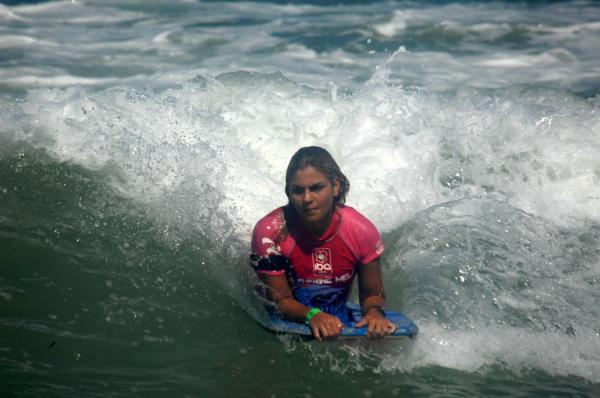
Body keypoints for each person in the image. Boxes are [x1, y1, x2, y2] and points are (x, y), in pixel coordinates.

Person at [250, 146, 397, 341]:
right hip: (287, 305)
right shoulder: (271, 233)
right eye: (298, 191)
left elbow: (372, 294)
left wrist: (374, 313)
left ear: (335, 186)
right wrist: (312, 315)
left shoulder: (361, 231)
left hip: (333, 310)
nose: (307, 199)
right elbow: (281, 301)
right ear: (288, 193)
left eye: (316, 188)